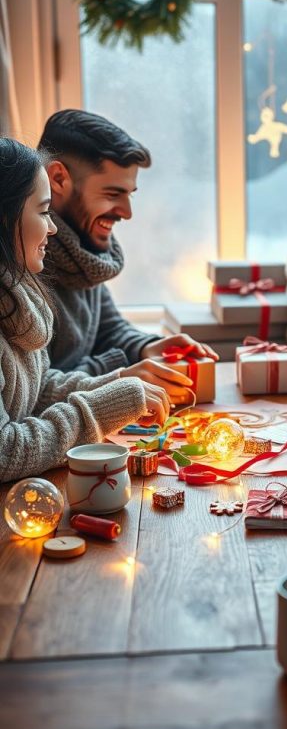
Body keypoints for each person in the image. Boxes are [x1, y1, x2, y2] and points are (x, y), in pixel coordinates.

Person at [0, 138, 170, 482]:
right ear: (5, 217)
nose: (51, 226)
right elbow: (5, 453)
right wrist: (103, 405)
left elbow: (35, 390)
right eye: (43, 211)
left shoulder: (18, 292)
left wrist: (117, 383)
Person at [38, 110, 218, 401]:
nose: (127, 213)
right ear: (58, 179)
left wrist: (146, 348)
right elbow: (37, 391)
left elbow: (109, 330)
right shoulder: (25, 262)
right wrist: (121, 372)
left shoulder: (81, 255)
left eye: (129, 195)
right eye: (112, 194)